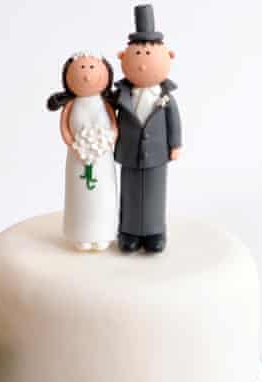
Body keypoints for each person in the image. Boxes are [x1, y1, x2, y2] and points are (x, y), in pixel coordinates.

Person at [114, 4, 183, 253]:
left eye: (148, 54)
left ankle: (155, 232)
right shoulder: (122, 96)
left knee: (155, 193)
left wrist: (175, 144)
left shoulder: (166, 98)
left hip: (157, 155)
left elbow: (174, 121)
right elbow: (108, 117)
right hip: (129, 153)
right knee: (130, 192)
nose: (143, 64)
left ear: (169, 56)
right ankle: (129, 232)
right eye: (138, 55)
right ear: (123, 56)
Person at [47, 53, 118, 251]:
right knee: (79, 197)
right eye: (82, 68)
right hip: (77, 156)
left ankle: (103, 233)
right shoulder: (71, 104)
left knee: (103, 195)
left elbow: (114, 124)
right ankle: (80, 234)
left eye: (92, 68)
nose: (86, 74)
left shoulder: (105, 104)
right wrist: (73, 144)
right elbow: (64, 127)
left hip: (102, 157)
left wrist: (109, 139)